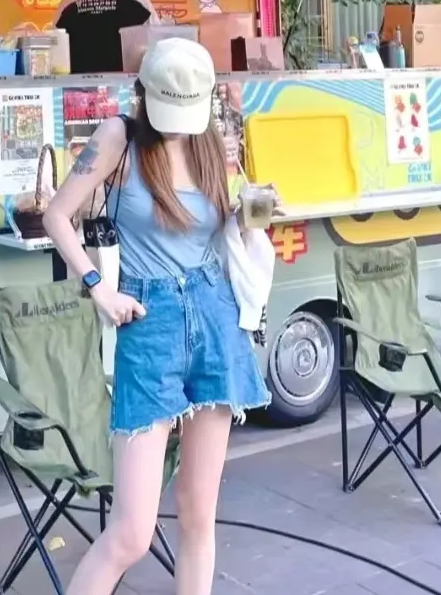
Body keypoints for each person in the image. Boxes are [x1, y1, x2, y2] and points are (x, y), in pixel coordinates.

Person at [42, 37, 270, 595]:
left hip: (214, 315)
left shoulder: (211, 143)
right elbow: (57, 215)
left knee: (198, 515)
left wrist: (249, 215)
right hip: (149, 320)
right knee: (132, 533)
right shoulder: (119, 136)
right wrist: (98, 287)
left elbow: (215, 231)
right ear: (141, 93)